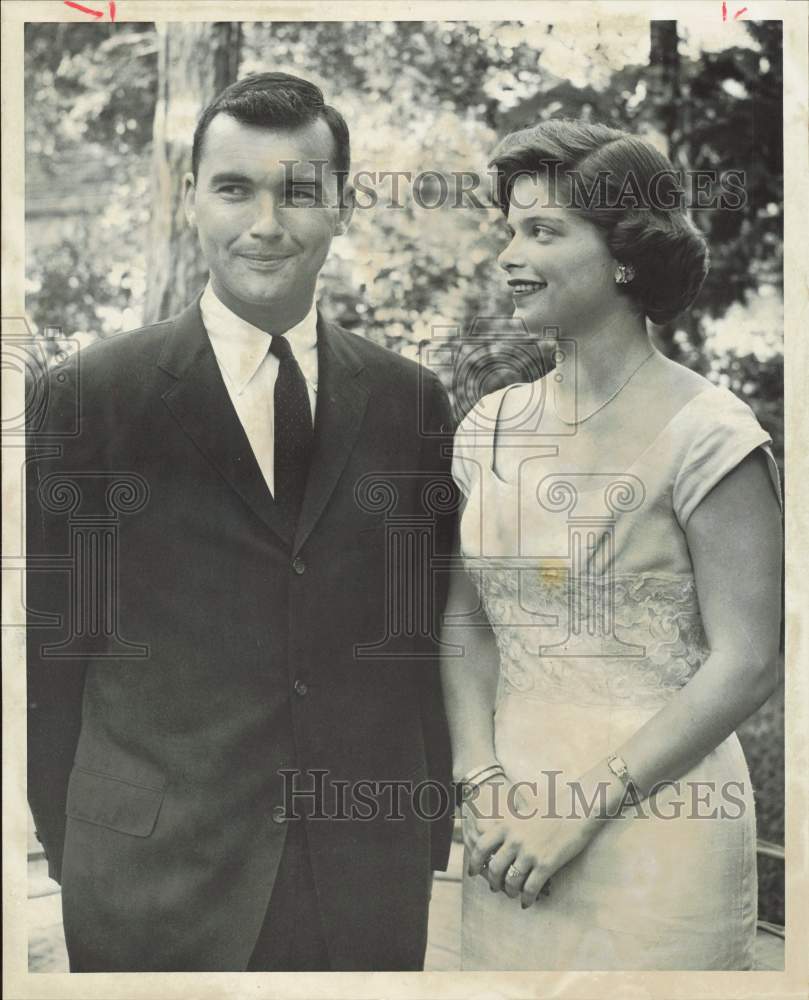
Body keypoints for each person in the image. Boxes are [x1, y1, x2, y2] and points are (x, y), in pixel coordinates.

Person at [26, 72, 456, 972]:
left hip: (359, 877)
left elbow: (420, 639)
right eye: (234, 187)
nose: (266, 222)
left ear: (339, 202)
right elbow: (56, 649)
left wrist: (425, 830)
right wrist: (76, 843)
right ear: (190, 200)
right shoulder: (90, 397)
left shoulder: (410, 403)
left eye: (298, 191)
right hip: (152, 878)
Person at [441, 119, 783, 970]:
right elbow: (464, 623)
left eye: (543, 232)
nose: (509, 255)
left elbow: (748, 660)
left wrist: (577, 808)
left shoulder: (710, 433)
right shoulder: (488, 427)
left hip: (659, 827)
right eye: (509, 231)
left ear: (625, 254)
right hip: (503, 828)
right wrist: (480, 780)